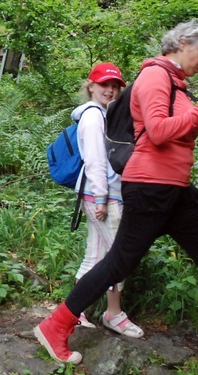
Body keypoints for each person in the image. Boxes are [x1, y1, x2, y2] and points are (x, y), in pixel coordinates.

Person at [34, 21, 198, 364]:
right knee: (118, 262)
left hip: (176, 187)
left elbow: (178, 134)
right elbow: (158, 132)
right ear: (184, 43)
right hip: (150, 186)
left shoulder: (178, 84)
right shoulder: (155, 76)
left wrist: (195, 114)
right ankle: (55, 326)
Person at [71, 62, 143, 338]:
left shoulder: (103, 114)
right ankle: (114, 313)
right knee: (120, 256)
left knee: (96, 255)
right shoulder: (93, 117)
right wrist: (102, 198)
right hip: (102, 195)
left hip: (100, 194)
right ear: (91, 86)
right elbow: (95, 160)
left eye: (115, 86)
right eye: (105, 85)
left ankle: (74, 311)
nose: (111, 90)